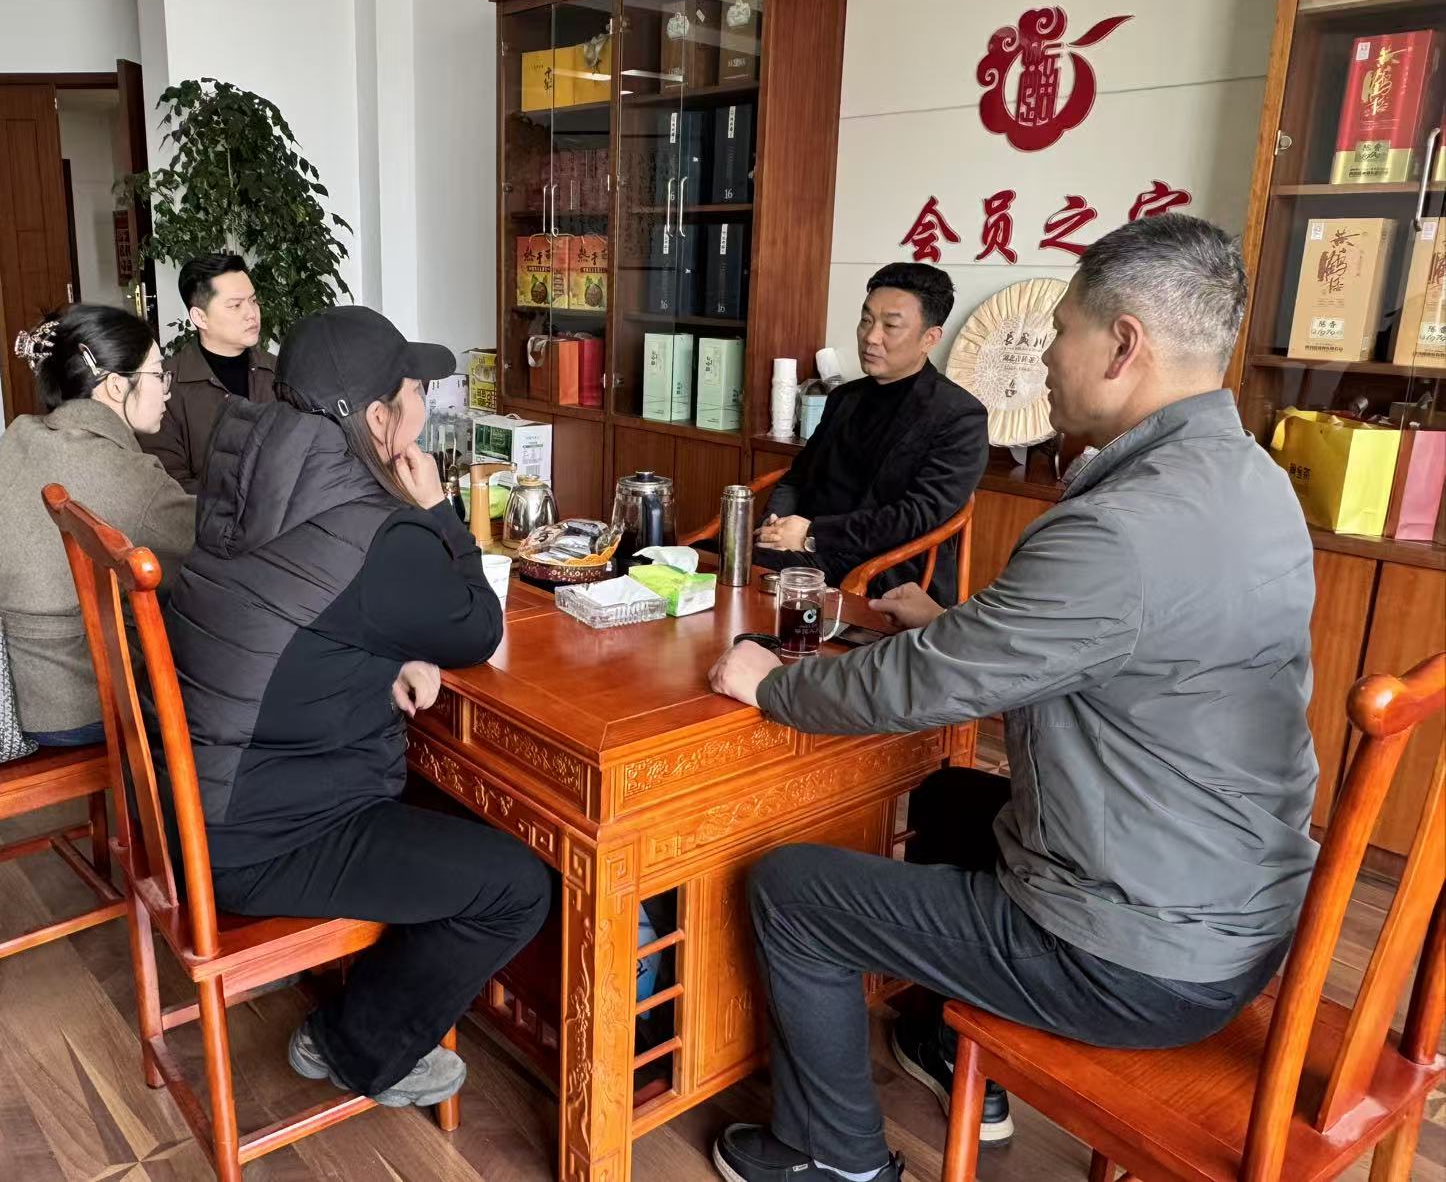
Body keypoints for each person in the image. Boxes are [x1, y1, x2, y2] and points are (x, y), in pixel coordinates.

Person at [704, 215, 1317, 1182]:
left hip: (1136, 953)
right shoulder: (1253, 480)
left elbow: (927, 683)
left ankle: (834, 1158)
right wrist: (954, 625)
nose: (1045, 359)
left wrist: (777, 685)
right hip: (1238, 904)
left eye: (1061, 332)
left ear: (1123, 345)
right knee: (951, 799)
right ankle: (948, 1041)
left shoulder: (1121, 526)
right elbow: (1112, 644)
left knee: (793, 889)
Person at [162, 305, 551, 1110]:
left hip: (207, 797)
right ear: (379, 419)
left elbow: (302, 609)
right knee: (518, 884)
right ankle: (350, 1042)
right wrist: (437, 511)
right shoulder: (379, 532)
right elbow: (477, 628)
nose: (425, 406)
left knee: (455, 806)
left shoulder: (246, 470)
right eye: (416, 392)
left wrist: (382, 653)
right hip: (269, 837)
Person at [0, 305, 193, 747]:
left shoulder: (20, 433)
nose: (166, 391)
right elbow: (211, 547)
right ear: (116, 385)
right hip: (62, 704)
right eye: (159, 374)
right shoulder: (126, 474)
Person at [755, 263, 987, 605]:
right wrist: (773, 527)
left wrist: (812, 534)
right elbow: (796, 478)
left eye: (890, 325)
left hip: (879, 568)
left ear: (930, 338)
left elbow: (915, 516)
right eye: (866, 320)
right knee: (707, 557)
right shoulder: (844, 397)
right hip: (803, 550)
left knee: (737, 571)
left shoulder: (959, 416)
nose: (870, 337)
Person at [139, 254, 276, 492]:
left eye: (253, 301)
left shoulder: (279, 370)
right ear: (200, 317)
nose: (252, 313)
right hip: (206, 513)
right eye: (235, 305)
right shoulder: (166, 386)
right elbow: (169, 485)